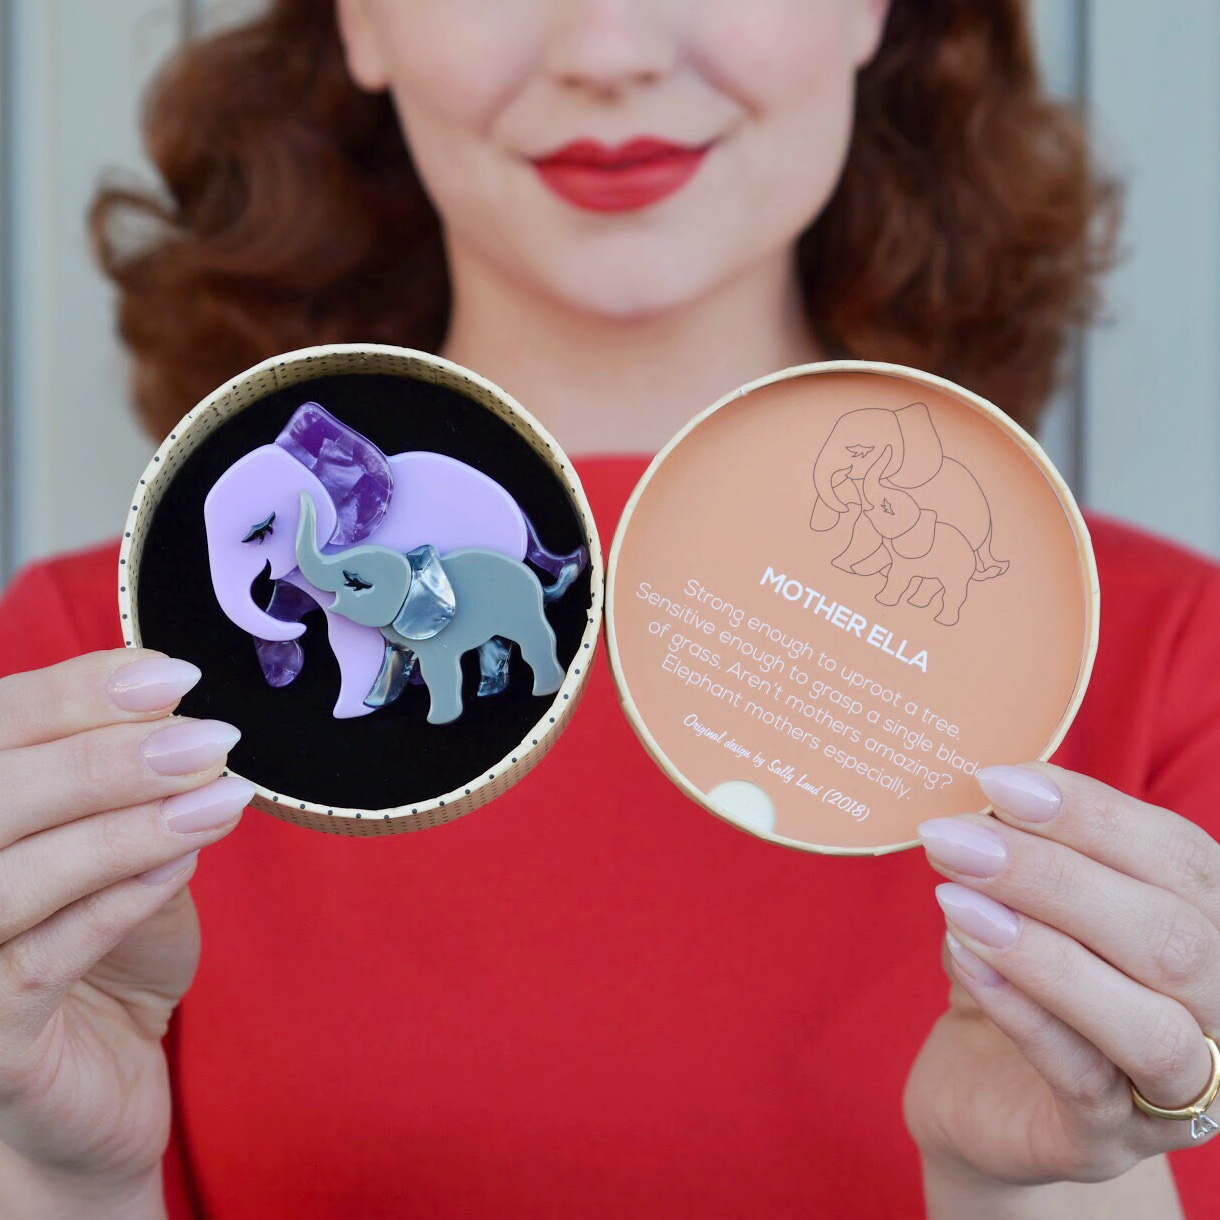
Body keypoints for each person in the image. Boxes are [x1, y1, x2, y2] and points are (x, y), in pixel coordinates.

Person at [0, 0, 1217, 1215]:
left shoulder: (1165, 661)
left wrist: (1028, 1186)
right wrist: (62, 1174)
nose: (609, 51)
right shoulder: (87, 682)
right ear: (359, 21)